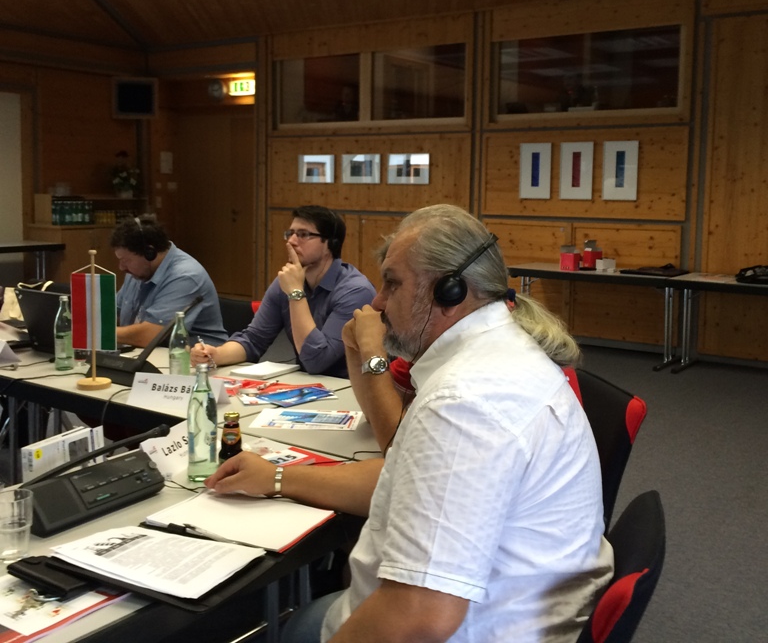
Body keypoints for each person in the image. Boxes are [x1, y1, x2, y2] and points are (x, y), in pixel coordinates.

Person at [205, 204, 613, 643]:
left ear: (450, 292)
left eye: (393, 283)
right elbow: (404, 474)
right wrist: (278, 477)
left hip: (474, 627)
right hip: (510, 605)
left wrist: (370, 354)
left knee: (293, 629)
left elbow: (419, 618)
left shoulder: (464, 403)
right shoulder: (499, 355)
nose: (378, 302)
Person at [192, 206, 375, 379]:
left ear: (329, 244)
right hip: (309, 385)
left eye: (303, 234)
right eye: (290, 233)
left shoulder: (355, 291)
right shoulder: (286, 282)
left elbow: (317, 361)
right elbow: (254, 340)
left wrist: (296, 294)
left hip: (352, 388)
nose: (291, 241)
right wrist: (215, 354)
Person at [111, 215, 227, 348]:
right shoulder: (137, 273)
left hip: (196, 356)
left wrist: (98, 334)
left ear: (149, 252)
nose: (121, 267)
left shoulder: (185, 277)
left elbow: (149, 337)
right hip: (151, 353)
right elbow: (112, 314)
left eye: (126, 260)